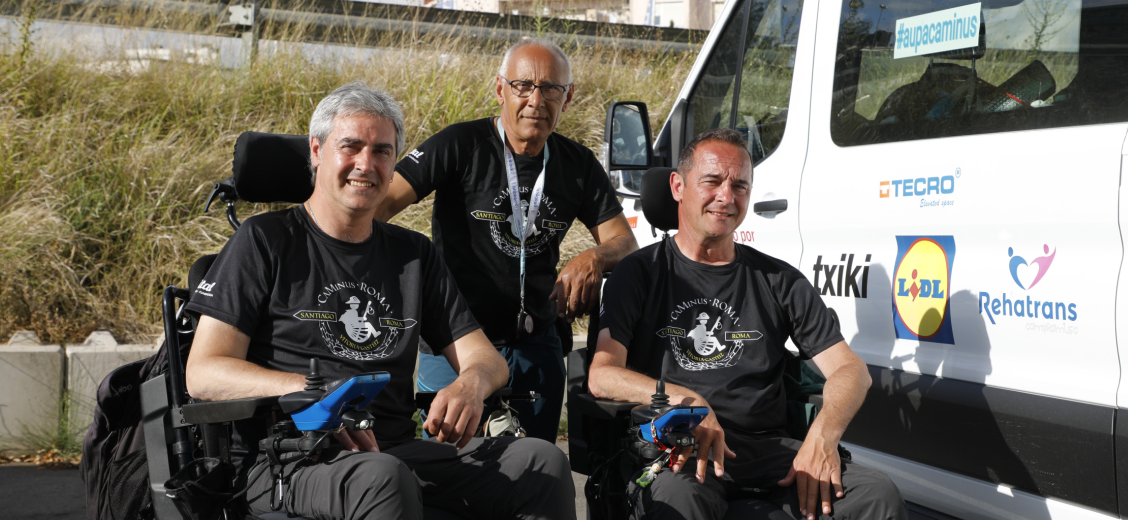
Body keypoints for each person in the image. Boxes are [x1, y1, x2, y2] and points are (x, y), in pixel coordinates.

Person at [185, 82, 574, 520]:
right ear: (316, 151)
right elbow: (203, 372)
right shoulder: (263, 241)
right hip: (291, 459)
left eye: (382, 151)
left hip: (394, 450)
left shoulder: (412, 254)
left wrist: (470, 384)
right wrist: (311, 392)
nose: (365, 165)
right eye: (350, 146)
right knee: (384, 477)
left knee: (543, 463)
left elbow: (486, 359)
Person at [589, 129, 906, 520]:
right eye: (712, 181)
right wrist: (689, 402)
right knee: (675, 502)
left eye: (740, 185)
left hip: (770, 451)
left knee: (877, 495)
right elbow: (602, 376)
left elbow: (851, 370)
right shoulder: (639, 273)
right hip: (684, 449)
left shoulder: (778, 279)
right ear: (678, 186)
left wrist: (823, 437)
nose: (726, 196)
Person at [375, 39, 637, 442]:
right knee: (445, 471)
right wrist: (404, 277)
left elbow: (625, 241)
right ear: (501, 90)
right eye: (523, 85)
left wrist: (595, 257)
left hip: (535, 343)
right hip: (456, 344)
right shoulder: (459, 145)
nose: (536, 99)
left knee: (535, 474)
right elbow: (379, 206)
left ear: (567, 99)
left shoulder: (577, 164)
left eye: (551, 88)